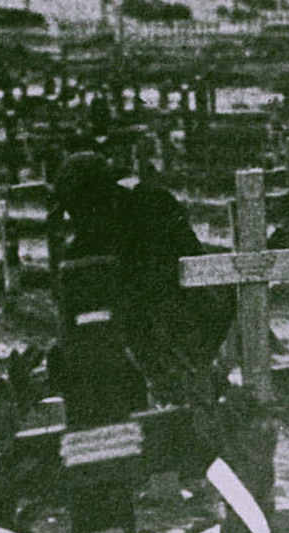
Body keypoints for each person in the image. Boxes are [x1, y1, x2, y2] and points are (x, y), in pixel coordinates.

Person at [50, 151, 235, 405]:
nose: (75, 218)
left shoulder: (151, 206)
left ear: (100, 196)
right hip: (135, 334)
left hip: (184, 318)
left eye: (78, 207)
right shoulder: (83, 244)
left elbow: (187, 270)